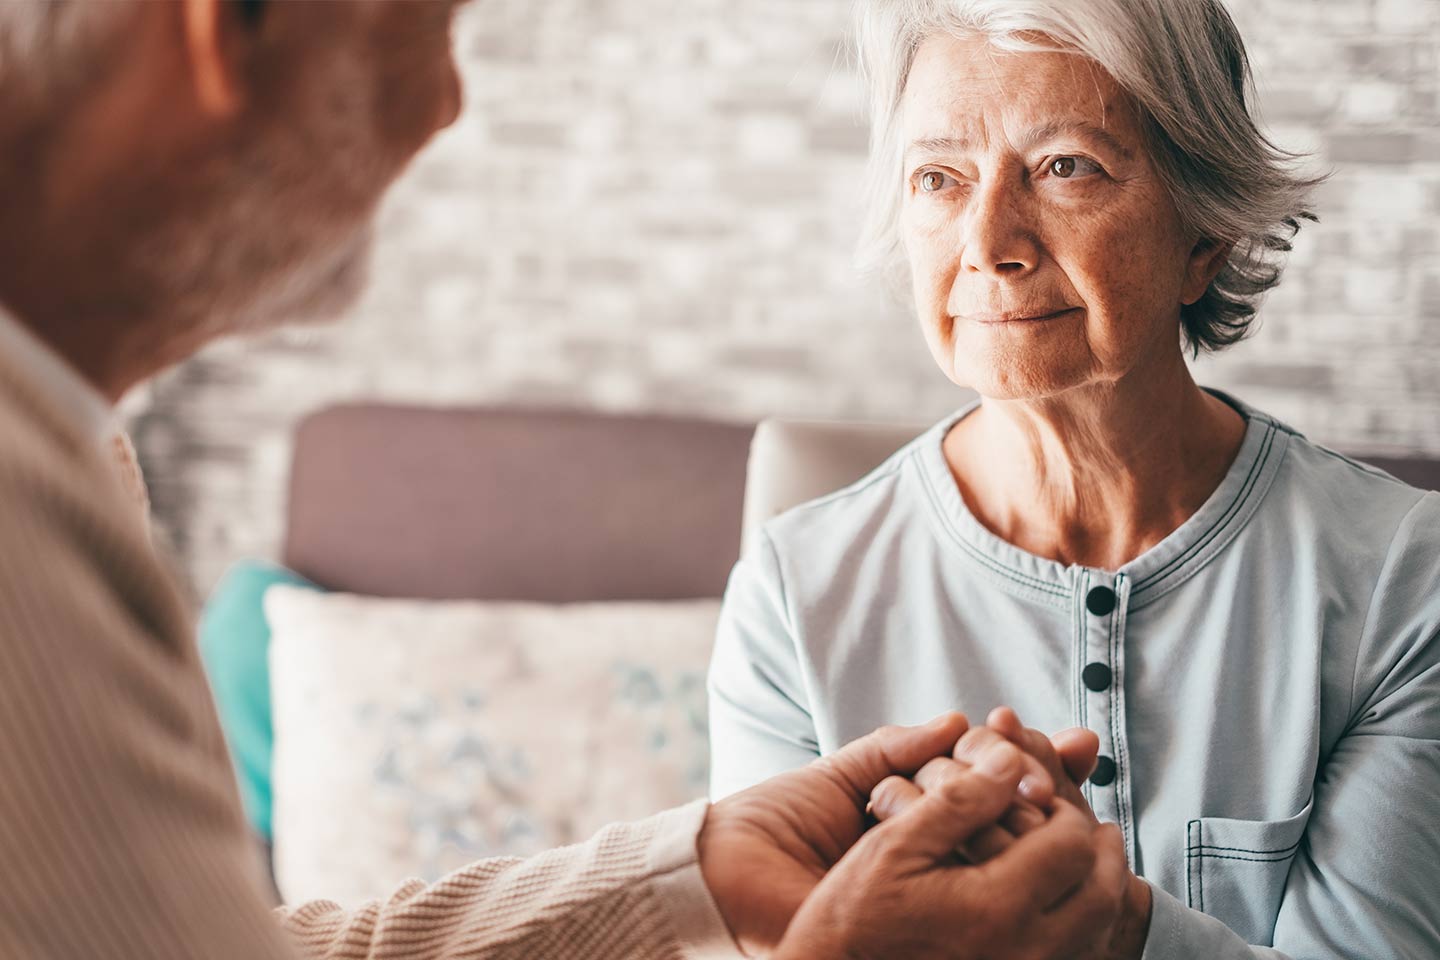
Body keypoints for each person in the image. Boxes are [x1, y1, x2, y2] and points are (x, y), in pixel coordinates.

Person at [0, 1, 1130, 958]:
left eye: (1067, 167)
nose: (447, 103)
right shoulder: (25, 530)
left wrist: (686, 870)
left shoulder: (70, 449)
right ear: (223, 30)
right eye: (428, 26)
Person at [708, 0, 1440, 956]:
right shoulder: (793, 591)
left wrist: (1113, 920)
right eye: (939, 178)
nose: (987, 244)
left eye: (1065, 167)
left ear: (1204, 234)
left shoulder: (1401, 579)